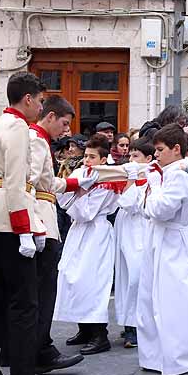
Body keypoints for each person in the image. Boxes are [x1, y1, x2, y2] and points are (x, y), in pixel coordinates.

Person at [0, 72, 74, 375]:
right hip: (12, 218)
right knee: (25, 304)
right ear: (29, 99)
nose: (41, 107)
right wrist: (26, 230)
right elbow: (19, 184)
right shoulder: (18, 130)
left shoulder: (0, 125)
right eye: (40, 101)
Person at [135, 124, 188, 375]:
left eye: (160, 149)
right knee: (151, 298)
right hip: (160, 239)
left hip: (176, 241)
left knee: (176, 302)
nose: (155, 154)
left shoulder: (179, 174)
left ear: (176, 149)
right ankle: (157, 355)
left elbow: (162, 209)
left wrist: (151, 192)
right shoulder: (163, 173)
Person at [28, 97, 88, 374]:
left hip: (39, 212)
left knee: (38, 289)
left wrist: (74, 183)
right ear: (50, 116)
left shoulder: (35, 138)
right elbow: (32, 183)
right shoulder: (36, 140)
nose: (65, 131)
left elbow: (45, 181)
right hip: (40, 216)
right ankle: (39, 348)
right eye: (63, 124)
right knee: (42, 289)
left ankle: (32, 347)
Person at [55, 136, 120, 355]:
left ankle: (99, 334)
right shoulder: (80, 174)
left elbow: (88, 212)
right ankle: (83, 328)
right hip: (78, 232)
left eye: (92, 157)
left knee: (92, 280)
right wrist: (75, 192)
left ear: (104, 159)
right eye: (85, 156)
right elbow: (62, 200)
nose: (87, 161)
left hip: (96, 232)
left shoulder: (108, 179)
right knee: (71, 276)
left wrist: (79, 195)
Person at [114, 139, 154, 349]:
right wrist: (131, 179)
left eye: (136, 156)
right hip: (129, 229)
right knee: (129, 277)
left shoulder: (152, 178)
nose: (131, 160)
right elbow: (126, 203)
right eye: (129, 156)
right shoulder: (130, 178)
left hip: (144, 227)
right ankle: (130, 324)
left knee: (140, 276)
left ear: (148, 159)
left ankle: (142, 322)